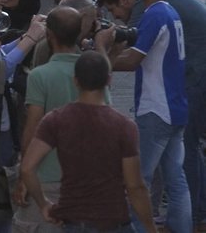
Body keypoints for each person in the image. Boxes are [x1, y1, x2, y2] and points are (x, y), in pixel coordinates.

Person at [99, 0, 192, 233]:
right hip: (175, 108)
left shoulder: (154, 14)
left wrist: (100, 56)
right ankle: (182, 227)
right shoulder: (169, 12)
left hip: (156, 109)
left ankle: (138, 228)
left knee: (138, 179)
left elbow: (131, 61)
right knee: (177, 180)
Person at [20, 52, 156, 232]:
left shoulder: (55, 120)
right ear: (108, 80)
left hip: (74, 221)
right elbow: (135, 186)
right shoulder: (124, 126)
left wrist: (43, 204)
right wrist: (150, 227)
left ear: (76, 81)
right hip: (112, 220)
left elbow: (27, 168)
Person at [11, 6, 91, 232]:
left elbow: (32, 127)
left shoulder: (40, 76)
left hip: (46, 175)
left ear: (49, 36)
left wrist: (23, 176)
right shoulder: (92, 71)